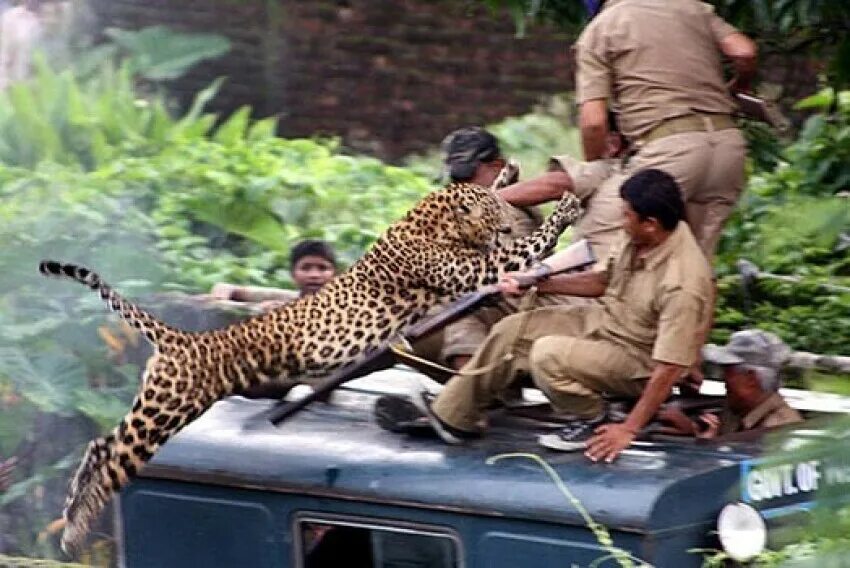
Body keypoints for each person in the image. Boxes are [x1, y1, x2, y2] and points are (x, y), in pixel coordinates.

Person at [385, 169, 712, 463]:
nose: (622, 220)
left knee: (547, 355)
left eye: (627, 215)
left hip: (637, 360)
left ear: (651, 224)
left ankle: (594, 417)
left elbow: (669, 368)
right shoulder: (640, 236)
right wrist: (538, 283)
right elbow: (601, 281)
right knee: (513, 330)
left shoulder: (683, 281)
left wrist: (628, 429)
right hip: (605, 323)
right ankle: (453, 418)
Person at [439, 119, 629, 371]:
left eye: (466, 176)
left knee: (465, 301)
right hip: (559, 291)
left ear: (497, 167)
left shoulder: (508, 209)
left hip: (575, 300)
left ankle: (468, 393)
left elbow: (507, 270)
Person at [576, 0, 757, 258]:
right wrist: (740, 86)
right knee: (694, 263)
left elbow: (593, 122)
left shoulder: (602, 27)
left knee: (597, 243)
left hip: (668, 150)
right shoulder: (693, 7)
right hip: (727, 148)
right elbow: (744, 52)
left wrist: (596, 169)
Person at [658, 330, 802, 438]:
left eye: (728, 371)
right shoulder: (738, 409)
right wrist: (694, 431)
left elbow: (741, 474)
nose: (724, 379)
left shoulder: (779, 430)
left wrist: (705, 447)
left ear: (751, 379)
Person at [210, 239, 337, 308]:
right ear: (293, 274)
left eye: (322, 268)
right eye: (305, 268)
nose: (314, 275)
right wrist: (220, 299)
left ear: (335, 275)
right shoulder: (290, 298)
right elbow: (225, 288)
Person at [0, 0, 43, 90]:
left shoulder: (57, 16)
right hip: (14, 87)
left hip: (42, 88)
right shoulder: (11, 18)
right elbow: (4, 55)